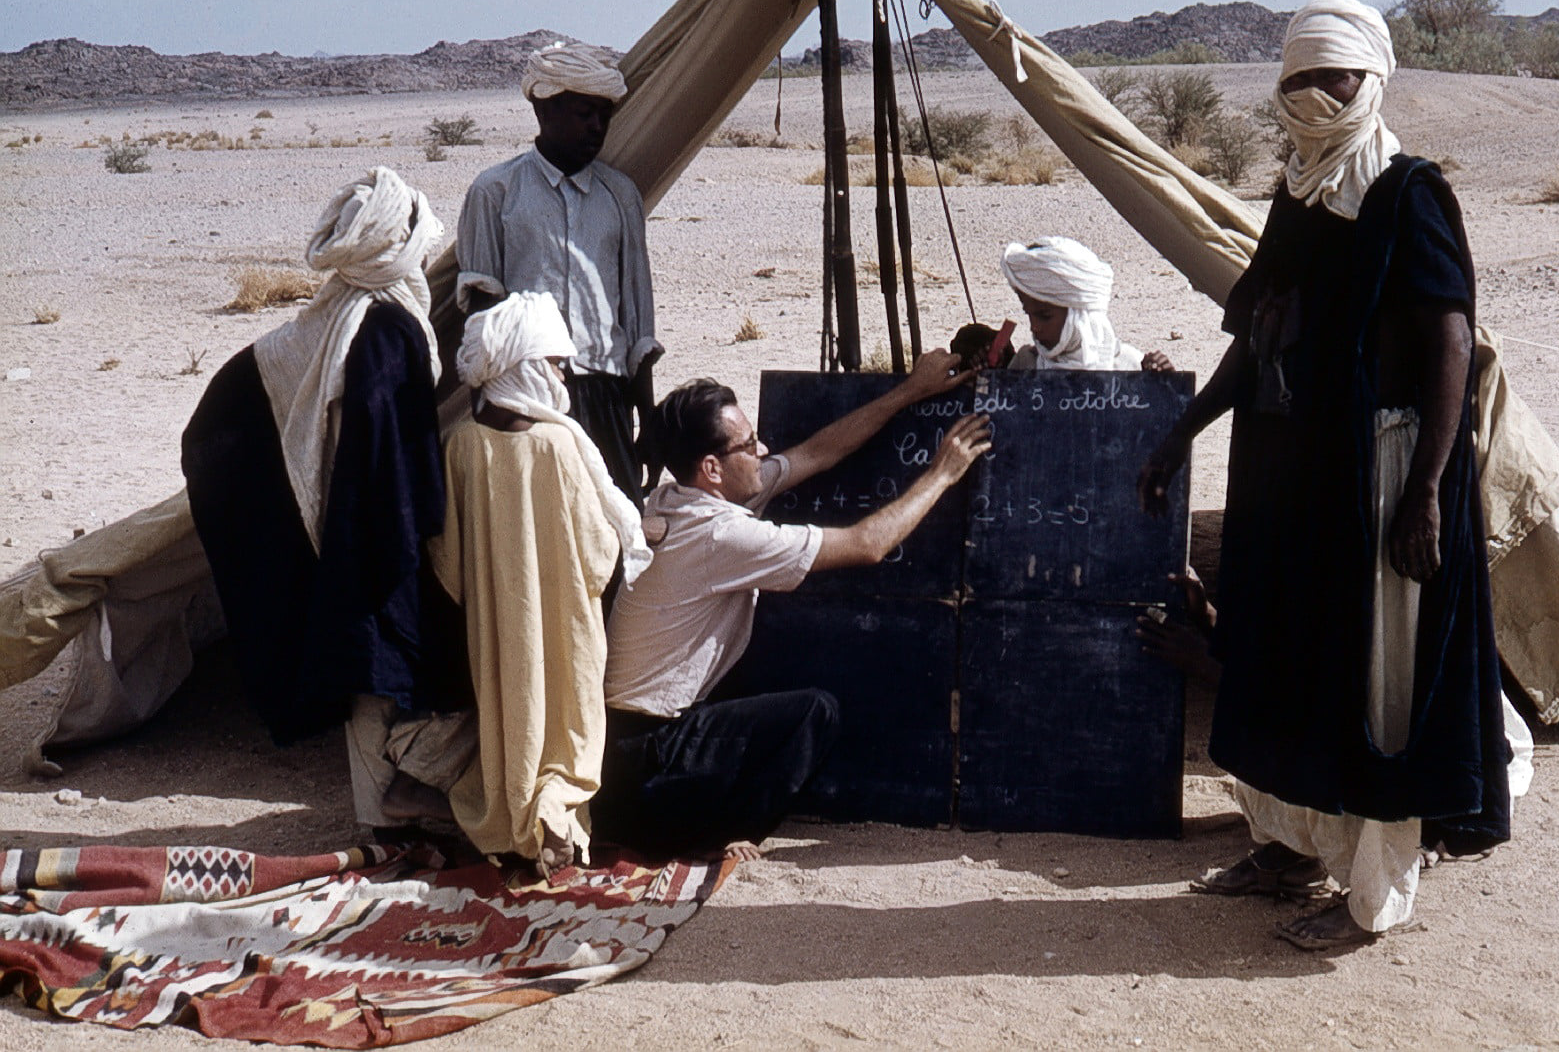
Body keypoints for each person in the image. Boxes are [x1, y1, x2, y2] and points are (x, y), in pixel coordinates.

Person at [1138, 0, 1524, 951]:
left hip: (1382, 466)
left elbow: (1450, 341)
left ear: (1373, 79)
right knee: (1281, 661)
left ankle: (1373, 893)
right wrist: (1183, 429)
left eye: (1334, 77)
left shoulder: (1406, 192)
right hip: (1291, 472)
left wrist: (1427, 488)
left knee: (1373, 678)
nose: (1315, 96)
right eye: (1298, 79)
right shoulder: (1298, 194)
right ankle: (1285, 846)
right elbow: (1260, 329)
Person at [593, 352, 990, 861]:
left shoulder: (681, 498)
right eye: (747, 445)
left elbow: (817, 453)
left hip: (619, 755)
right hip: (645, 761)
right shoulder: (720, 534)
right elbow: (868, 543)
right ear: (712, 467)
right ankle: (717, 839)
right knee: (813, 715)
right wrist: (943, 472)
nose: (762, 449)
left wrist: (910, 391)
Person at [181, 167, 474, 832]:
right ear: (399, 249)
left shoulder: (347, 309)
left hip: (303, 492)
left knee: (361, 639)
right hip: (318, 503)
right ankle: (384, 816)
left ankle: (386, 806)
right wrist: (408, 535)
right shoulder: (386, 330)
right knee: (373, 644)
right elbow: (384, 453)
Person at [430, 292, 652, 876]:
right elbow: (599, 550)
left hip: (497, 627)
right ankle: (555, 814)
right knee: (569, 729)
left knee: (511, 721)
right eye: (555, 364)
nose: (564, 376)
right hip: (565, 623)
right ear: (524, 364)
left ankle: (511, 823)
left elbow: (447, 560)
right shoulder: (559, 446)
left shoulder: (461, 445)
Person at [455, 40, 659, 502]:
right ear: (544, 111)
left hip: (606, 393)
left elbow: (637, 312)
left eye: (603, 116)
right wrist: (491, 407)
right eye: (584, 114)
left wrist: (647, 418)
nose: (596, 127)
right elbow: (484, 320)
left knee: (614, 534)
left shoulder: (620, 196)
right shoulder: (496, 191)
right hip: (526, 395)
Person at [999, 235, 1173, 371]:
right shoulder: (1026, 363)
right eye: (1029, 315)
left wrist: (1166, 385)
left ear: (1079, 315)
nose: (1034, 327)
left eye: (1044, 316)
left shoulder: (1129, 365)